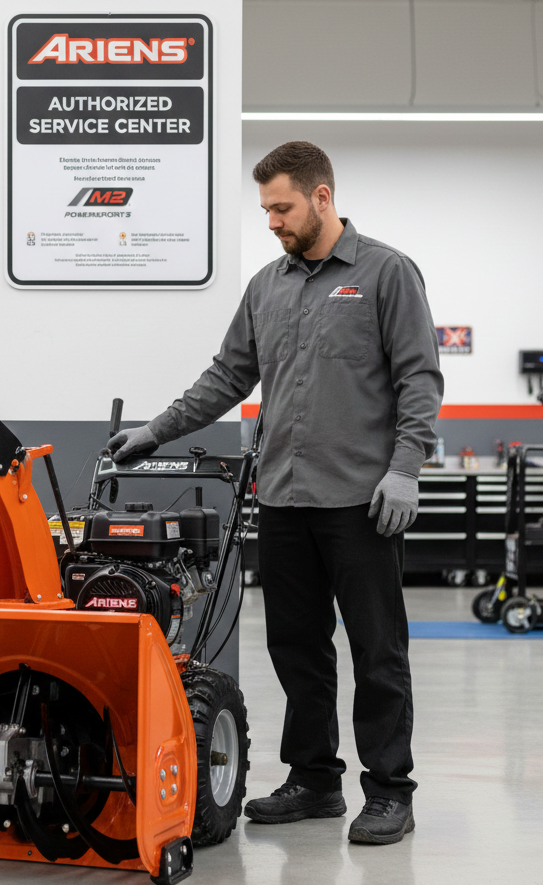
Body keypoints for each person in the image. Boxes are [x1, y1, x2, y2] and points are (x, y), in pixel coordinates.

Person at [107, 141, 443, 845]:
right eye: (265, 209)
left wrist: (406, 466)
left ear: (322, 197)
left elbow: (419, 379)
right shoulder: (267, 285)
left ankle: (389, 790)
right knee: (297, 646)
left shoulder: (386, 273)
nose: (272, 221)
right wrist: (155, 431)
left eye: (281, 207)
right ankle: (316, 778)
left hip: (362, 502)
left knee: (377, 650)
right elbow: (227, 376)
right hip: (284, 497)